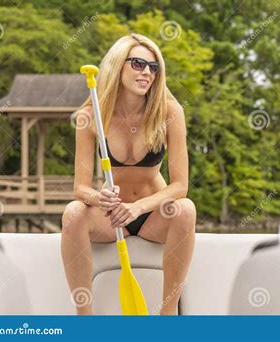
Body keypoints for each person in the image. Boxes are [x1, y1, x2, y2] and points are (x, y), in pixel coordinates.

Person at [61, 33, 196, 315]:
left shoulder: (170, 111)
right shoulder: (91, 115)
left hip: (152, 214)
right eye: (137, 64)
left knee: (186, 210)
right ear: (118, 65)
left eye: (153, 67)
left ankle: (167, 314)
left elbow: (180, 186)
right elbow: (80, 188)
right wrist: (101, 200)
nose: (146, 72)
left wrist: (137, 208)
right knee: (73, 213)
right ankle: (84, 319)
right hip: (112, 218)